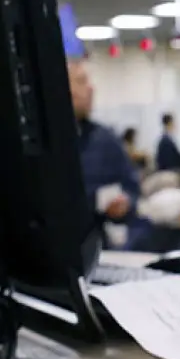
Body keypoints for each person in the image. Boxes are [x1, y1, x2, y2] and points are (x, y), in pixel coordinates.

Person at [67, 60, 140, 239]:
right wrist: (93, 200)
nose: (91, 89)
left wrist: (125, 204)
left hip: (93, 244)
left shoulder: (105, 139)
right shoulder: (35, 143)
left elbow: (131, 188)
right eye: (81, 81)